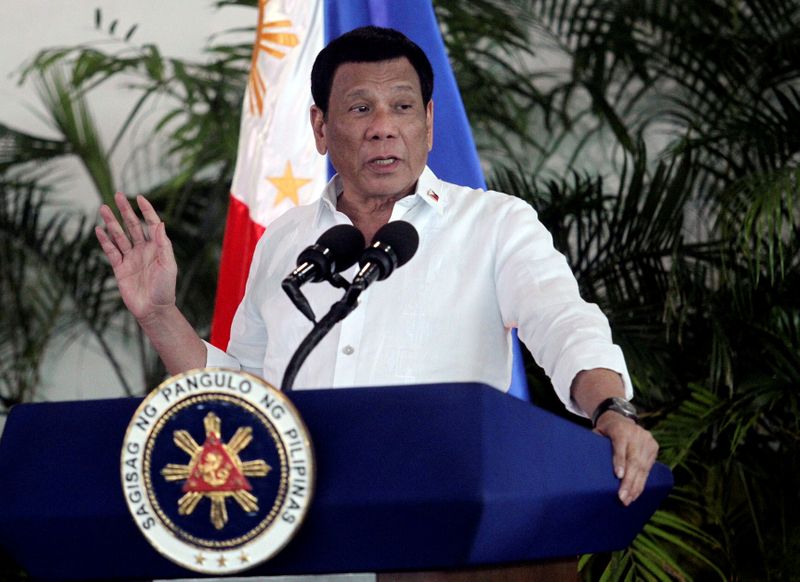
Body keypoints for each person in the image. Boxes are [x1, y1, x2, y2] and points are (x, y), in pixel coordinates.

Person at [96, 26, 658, 506]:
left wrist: (610, 408)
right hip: (301, 523)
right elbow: (245, 398)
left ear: (430, 121)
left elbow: (563, 322)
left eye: (403, 106)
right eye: (360, 108)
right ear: (320, 127)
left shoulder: (494, 223)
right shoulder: (284, 242)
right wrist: (160, 315)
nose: (383, 126)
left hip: (441, 517)